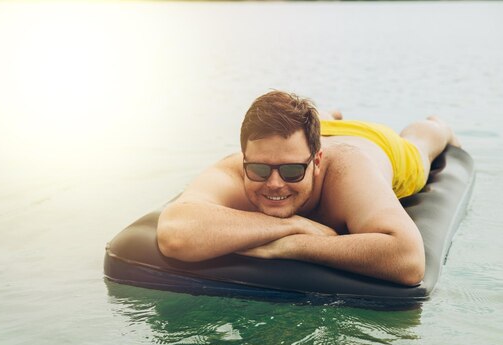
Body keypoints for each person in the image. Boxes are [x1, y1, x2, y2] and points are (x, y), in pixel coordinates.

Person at [156, 91, 461, 285]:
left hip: (379, 145)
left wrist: (291, 245)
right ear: (245, 159)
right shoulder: (245, 164)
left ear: (316, 162)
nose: (274, 183)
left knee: (420, 143)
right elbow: (175, 231)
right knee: (311, 130)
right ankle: (328, 118)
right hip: (315, 133)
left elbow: (408, 260)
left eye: (292, 172)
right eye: (260, 169)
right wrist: (296, 225)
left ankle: (437, 125)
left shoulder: (350, 173)